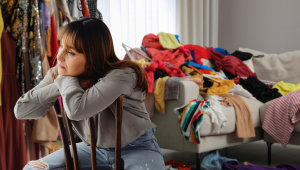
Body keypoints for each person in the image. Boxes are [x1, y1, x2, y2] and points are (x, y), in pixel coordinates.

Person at [14, 17, 165, 170]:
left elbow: (77, 110)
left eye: (71, 52)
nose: (59, 56)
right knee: (31, 168)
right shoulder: (61, 73)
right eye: (61, 46)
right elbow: (21, 110)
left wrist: (65, 81)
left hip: (136, 148)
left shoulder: (123, 75)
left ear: (94, 56)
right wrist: (63, 84)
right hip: (92, 150)